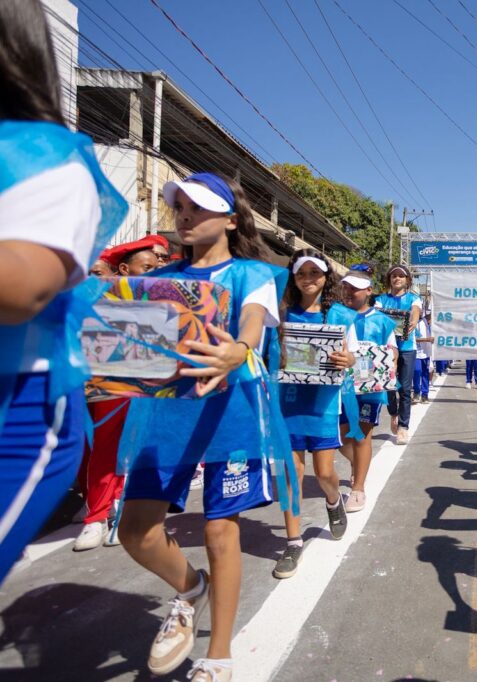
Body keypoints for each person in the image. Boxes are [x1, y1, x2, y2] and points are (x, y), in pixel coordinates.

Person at [117, 172, 284, 681]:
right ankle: (192, 588)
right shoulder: (160, 280)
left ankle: (219, 654)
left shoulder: (252, 273)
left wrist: (239, 348)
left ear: (231, 221)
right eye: (182, 207)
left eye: (200, 207)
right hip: (165, 417)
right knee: (135, 531)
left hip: (231, 416)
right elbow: (132, 347)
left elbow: (251, 321)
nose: (186, 215)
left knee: (219, 530)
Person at [0, 0, 127, 582]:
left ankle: (101, 511)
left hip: (24, 398)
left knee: (114, 451)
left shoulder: (43, 156)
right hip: (92, 378)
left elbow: (22, 289)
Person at [74, 235, 170, 552]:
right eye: (147, 267)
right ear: (125, 270)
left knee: (139, 451)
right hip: (109, 384)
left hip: (150, 386)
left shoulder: (163, 299)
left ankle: (125, 515)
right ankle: (97, 516)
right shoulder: (97, 299)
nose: (154, 272)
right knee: (103, 448)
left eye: (156, 267)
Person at [273, 249, 358, 579]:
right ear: (293, 277)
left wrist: (348, 360)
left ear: (326, 277)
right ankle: (293, 542)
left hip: (323, 405)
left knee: (324, 474)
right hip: (288, 403)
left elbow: (354, 356)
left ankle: (334, 501)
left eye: (315, 273)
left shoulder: (341, 315)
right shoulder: (280, 313)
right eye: (301, 273)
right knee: (291, 473)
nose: (308, 279)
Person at [340, 264, 398, 512]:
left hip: (369, 387)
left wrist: (387, 362)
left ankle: (358, 489)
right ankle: (359, 464)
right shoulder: (336, 316)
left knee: (362, 435)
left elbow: (392, 350)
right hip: (340, 386)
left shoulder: (383, 321)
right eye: (346, 287)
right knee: (341, 436)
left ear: (369, 291)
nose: (349, 292)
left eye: (355, 288)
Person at [375, 265, 421, 444]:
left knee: (405, 389)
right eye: (394, 276)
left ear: (407, 280)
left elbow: (415, 311)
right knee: (389, 386)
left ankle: (403, 427)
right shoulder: (380, 300)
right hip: (386, 349)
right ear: (389, 279)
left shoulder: (413, 298)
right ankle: (393, 413)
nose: (397, 279)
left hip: (407, 348)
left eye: (401, 276)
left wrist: (413, 320)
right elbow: (376, 317)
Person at [414, 312, 434, 403]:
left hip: (426, 353)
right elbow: (412, 339)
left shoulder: (426, 321)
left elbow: (433, 314)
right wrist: (426, 339)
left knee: (426, 373)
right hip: (415, 352)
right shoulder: (412, 322)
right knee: (417, 371)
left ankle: (425, 395)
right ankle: (416, 392)